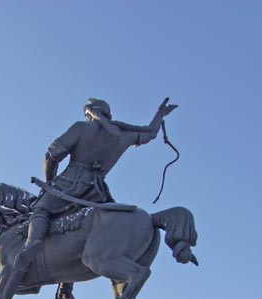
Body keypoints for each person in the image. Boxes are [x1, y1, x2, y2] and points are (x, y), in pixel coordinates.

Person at [16, 96, 178, 266]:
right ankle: (74, 277)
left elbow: (52, 155)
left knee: (41, 208)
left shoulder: (82, 127)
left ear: (89, 114)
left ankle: (33, 243)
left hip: (70, 183)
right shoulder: (123, 135)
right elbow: (150, 133)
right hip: (97, 192)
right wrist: (160, 114)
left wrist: (50, 182)